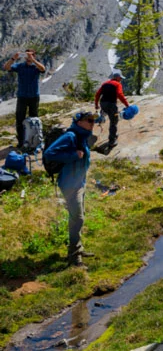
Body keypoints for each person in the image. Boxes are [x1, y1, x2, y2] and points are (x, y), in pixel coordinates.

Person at [43, 111, 97, 268]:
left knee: (78, 216)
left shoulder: (82, 136)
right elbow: (49, 153)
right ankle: (74, 257)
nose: (92, 123)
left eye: (93, 120)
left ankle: (78, 249)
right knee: (78, 218)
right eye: (89, 120)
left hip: (79, 182)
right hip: (69, 184)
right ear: (79, 122)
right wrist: (73, 155)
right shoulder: (71, 136)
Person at [3, 49, 46, 149]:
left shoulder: (36, 67)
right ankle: (21, 142)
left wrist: (33, 61)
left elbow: (43, 69)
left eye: (30, 55)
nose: (27, 57)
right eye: (26, 55)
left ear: (34, 56)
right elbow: (6, 67)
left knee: (34, 118)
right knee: (20, 119)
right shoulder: (20, 66)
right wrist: (13, 58)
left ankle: (34, 141)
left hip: (34, 96)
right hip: (22, 96)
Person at [94, 69, 130, 148]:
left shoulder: (104, 83)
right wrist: (127, 105)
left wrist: (96, 105)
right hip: (111, 105)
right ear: (117, 77)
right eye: (120, 78)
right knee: (114, 122)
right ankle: (112, 141)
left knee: (106, 113)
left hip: (103, 104)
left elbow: (97, 94)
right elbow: (120, 94)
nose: (121, 80)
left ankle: (101, 116)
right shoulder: (117, 84)